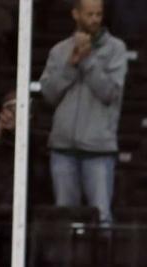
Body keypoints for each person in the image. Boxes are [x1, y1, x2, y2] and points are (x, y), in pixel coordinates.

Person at [37, 0, 127, 225]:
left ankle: (103, 260)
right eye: (89, 14)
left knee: (102, 217)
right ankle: (67, 261)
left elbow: (110, 93)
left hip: (98, 149)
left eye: (99, 14)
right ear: (75, 15)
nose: (95, 19)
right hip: (62, 148)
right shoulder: (59, 51)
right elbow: (48, 93)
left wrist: (87, 61)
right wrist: (71, 64)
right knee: (65, 218)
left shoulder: (116, 49)